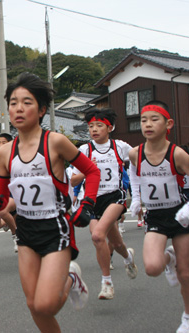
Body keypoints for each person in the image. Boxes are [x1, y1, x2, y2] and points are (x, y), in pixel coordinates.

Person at [0, 72, 100, 332]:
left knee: (46, 305)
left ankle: (71, 277)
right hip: (26, 229)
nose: (19, 108)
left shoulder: (55, 142)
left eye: (27, 102)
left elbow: (92, 171)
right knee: (33, 305)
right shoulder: (5, 151)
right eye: (13, 102)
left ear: (41, 110)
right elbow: (2, 191)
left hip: (56, 229)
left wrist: (87, 205)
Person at [129, 100, 189, 333]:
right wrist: (136, 198)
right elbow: (133, 174)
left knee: (185, 273)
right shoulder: (135, 153)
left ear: (168, 123)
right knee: (152, 267)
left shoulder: (178, 154)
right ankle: (168, 259)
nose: (148, 125)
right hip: (155, 216)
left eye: (154, 119)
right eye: (143, 120)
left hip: (179, 214)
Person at [71, 108, 138, 300]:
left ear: (110, 128)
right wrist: (87, 170)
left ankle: (106, 283)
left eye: (99, 125)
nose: (94, 129)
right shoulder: (84, 151)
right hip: (91, 199)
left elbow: (139, 160)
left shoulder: (120, 146)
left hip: (114, 197)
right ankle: (128, 258)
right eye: (91, 126)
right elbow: (73, 181)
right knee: (114, 242)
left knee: (98, 235)